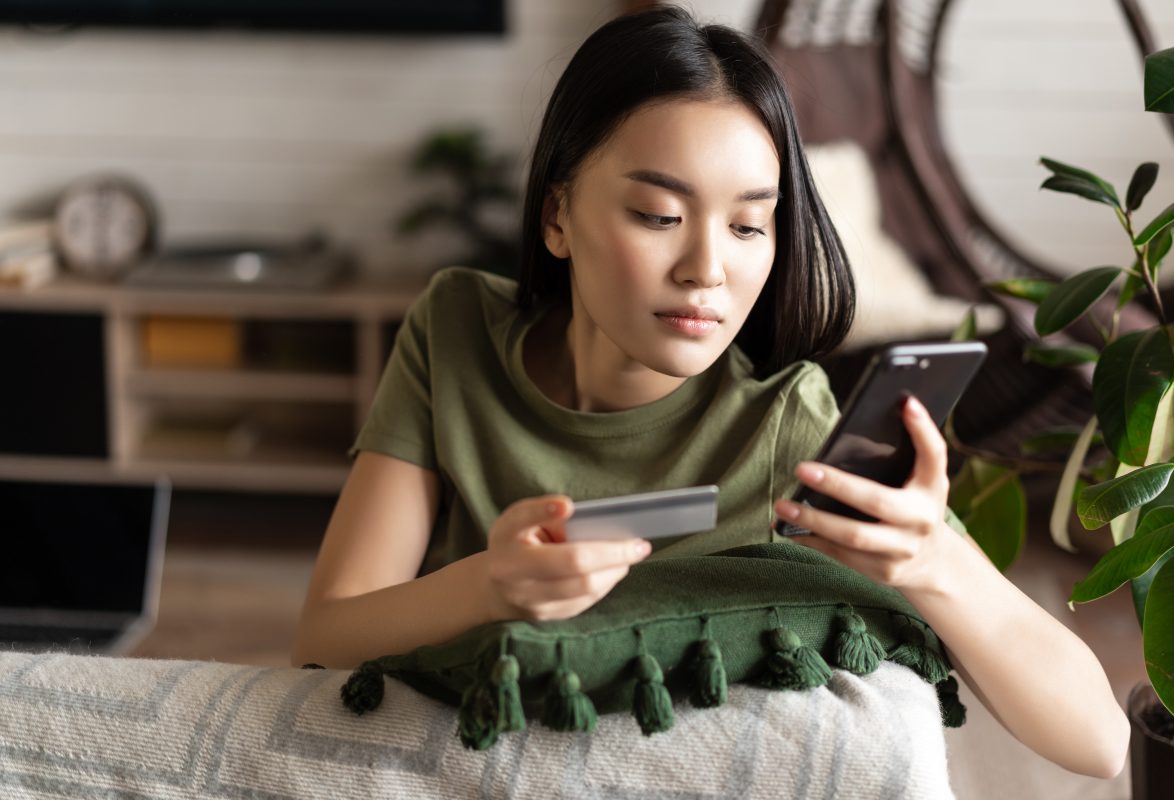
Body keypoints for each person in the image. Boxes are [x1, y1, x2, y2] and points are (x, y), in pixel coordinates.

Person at [293, 5, 1128, 779]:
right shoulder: (456, 331)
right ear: (557, 217)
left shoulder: (784, 426)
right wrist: (490, 587)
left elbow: (1099, 741)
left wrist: (932, 562)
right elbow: (327, 636)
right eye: (660, 215)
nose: (707, 270)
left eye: (748, 226)